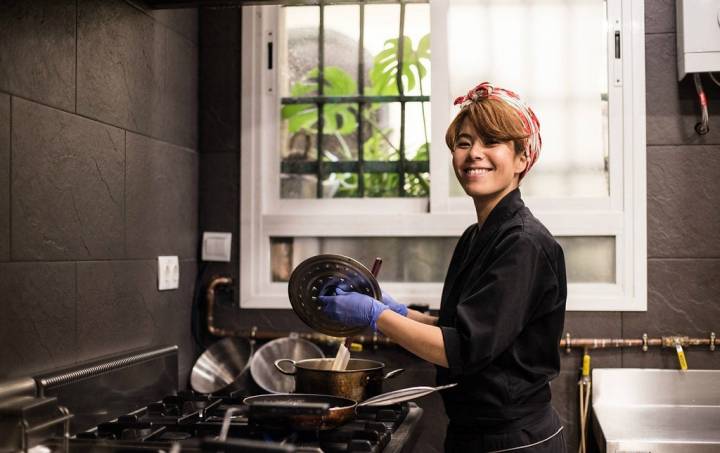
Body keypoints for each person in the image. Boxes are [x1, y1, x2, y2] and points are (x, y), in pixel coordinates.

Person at [320, 82, 567, 453]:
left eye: (491, 142)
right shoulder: (477, 236)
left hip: (513, 440)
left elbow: (463, 348)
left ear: (521, 158)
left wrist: (376, 316)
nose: (474, 154)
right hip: (475, 433)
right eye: (465, 143)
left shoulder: (523, 243)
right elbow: (460, 329)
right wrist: (395, 309)